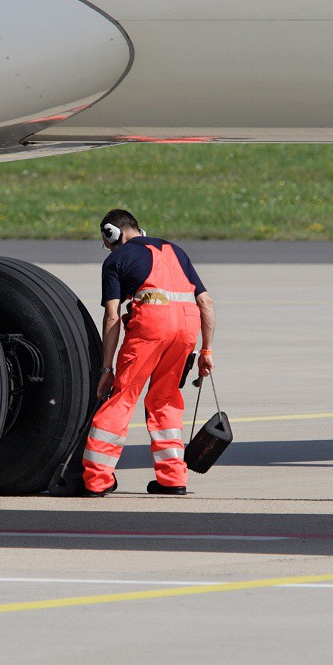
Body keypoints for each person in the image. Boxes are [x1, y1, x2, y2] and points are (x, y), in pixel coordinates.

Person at [82, 209, 215, 497]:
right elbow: (205, 303)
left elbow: (112, 317)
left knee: (122, 397)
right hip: (187, 328)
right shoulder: (176, 251)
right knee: (165, 400)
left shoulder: (116, 259)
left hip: (151, 325)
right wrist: (206, 350)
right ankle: (172, 478)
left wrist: (106, 370)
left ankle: (97, 479)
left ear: (111, 233)